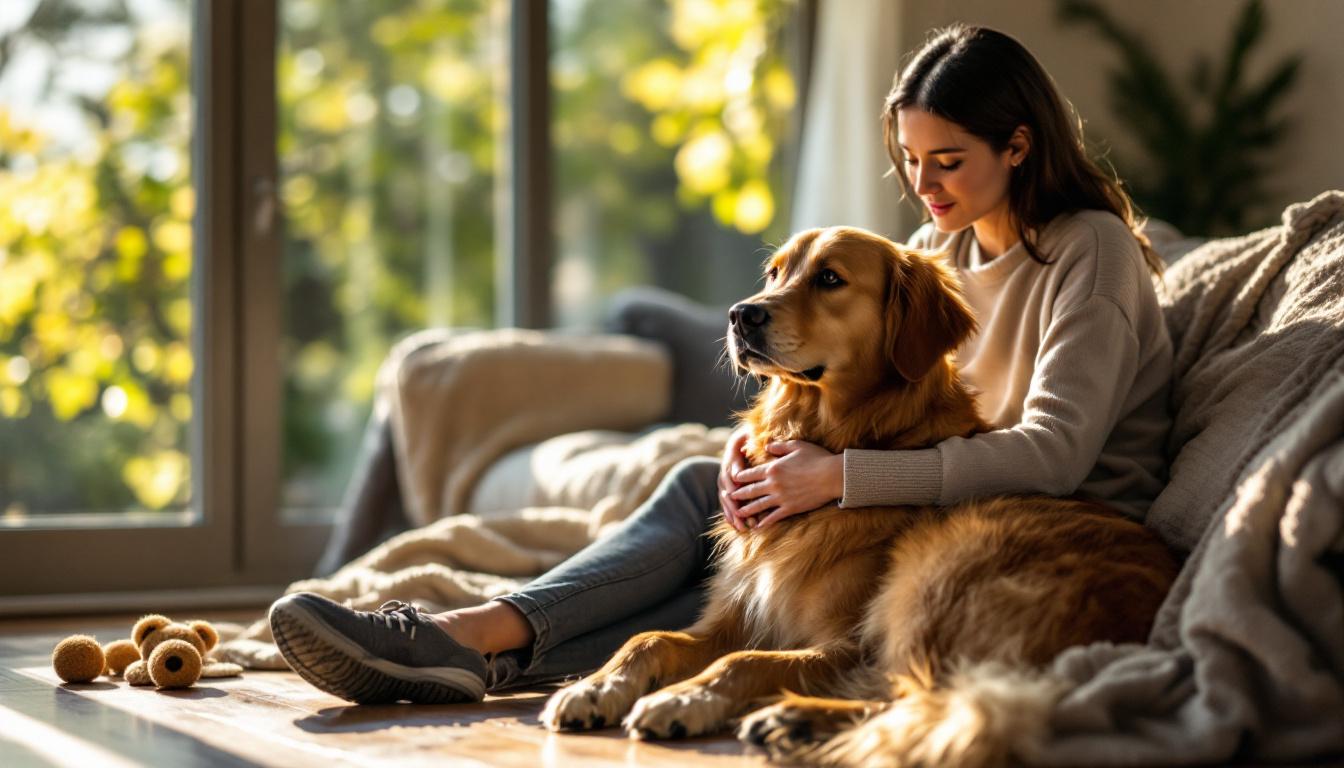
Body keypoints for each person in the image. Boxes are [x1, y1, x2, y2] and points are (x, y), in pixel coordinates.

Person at [268, 24, 1173, 706]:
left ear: (1018, 146)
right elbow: (877, 388)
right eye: (909, 160)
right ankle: (470, 647)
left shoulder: (1091, 251)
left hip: (1039, 526)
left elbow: (1054, 452)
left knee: (720, 538)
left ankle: (469, 642)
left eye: (949, 161)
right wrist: (776, 457)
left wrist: (841, 478)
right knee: (710, 493)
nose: (925, 187)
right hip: (936, 482)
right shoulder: (948, 246)